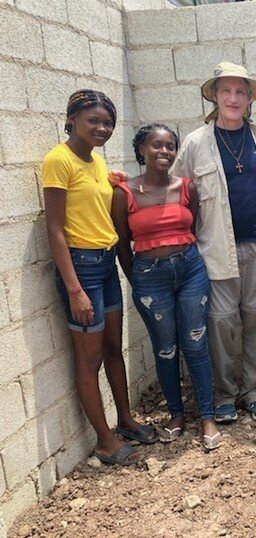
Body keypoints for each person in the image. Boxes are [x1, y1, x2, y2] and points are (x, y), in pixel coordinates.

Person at [42, 90, 157, 467]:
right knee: (89, 358)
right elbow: (56, 229)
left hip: (106, 264)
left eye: (108, 122)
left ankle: (124, 420)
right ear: (72, 118)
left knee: (113, 348)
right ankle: (104, 439)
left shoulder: (92, 160)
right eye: (93, 121)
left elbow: (91, 197)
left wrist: (111, 179)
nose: (102, 128)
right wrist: (75, 289)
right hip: (82, 267)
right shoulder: (59, 161)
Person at [170, 62, 256, 423]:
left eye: (241, 92)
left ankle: (255, 389)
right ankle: (225, 393)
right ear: (215, 96)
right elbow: (176, 193)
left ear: (249, 99)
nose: (233, 98)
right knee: (220, 322)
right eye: (226, 91)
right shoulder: (196, 143)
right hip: (214, 249)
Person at [111, 124, 221, 450]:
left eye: (170, 146)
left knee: (196, 345)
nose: (164, 152)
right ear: (141, 150)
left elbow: (193, 225)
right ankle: (176, 414)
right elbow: (122, 244)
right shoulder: (124, 193)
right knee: (166, 349)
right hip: (149, 277)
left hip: (190, 271)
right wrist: (139, 281)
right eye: (156, 145)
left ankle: (207, 416)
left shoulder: (187, 188)